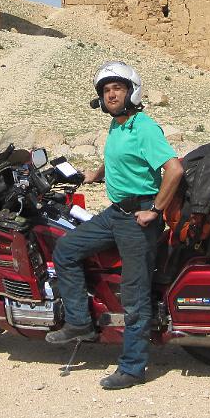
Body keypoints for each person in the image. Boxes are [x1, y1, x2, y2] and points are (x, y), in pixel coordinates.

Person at [46, 61, 184, 389]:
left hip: (138, 220)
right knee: (65, 249)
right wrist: (95, 174)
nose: (111, 94)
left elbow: (174, 170)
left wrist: (155, 210)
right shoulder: (117, 127)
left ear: (130, 92)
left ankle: (133, 367)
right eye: (106, 90)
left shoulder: (144, 127)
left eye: (117, 89)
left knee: (135, 295)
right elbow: (117, 160)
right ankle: (80, 322)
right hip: (115, 213)